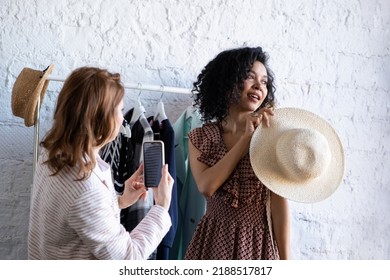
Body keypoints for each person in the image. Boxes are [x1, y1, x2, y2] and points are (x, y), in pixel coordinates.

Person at [28, 67, 174, 260]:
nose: (123, 118)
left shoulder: (53, 152)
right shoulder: (85, 188)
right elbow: (128, 258)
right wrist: (162, 206)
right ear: (101, 119)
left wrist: (119, 201)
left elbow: (76, 217)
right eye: (120, 110)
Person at [184, 47, 290, 260]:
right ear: (227, 82)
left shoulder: (271, 137)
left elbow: (279, 205)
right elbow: (207, 186)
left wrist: (287, 264)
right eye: (250, 77)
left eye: (264, 81)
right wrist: (245, 140)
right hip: (213, 242)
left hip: (258, 244)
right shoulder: (201, 137)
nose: (259, 86)